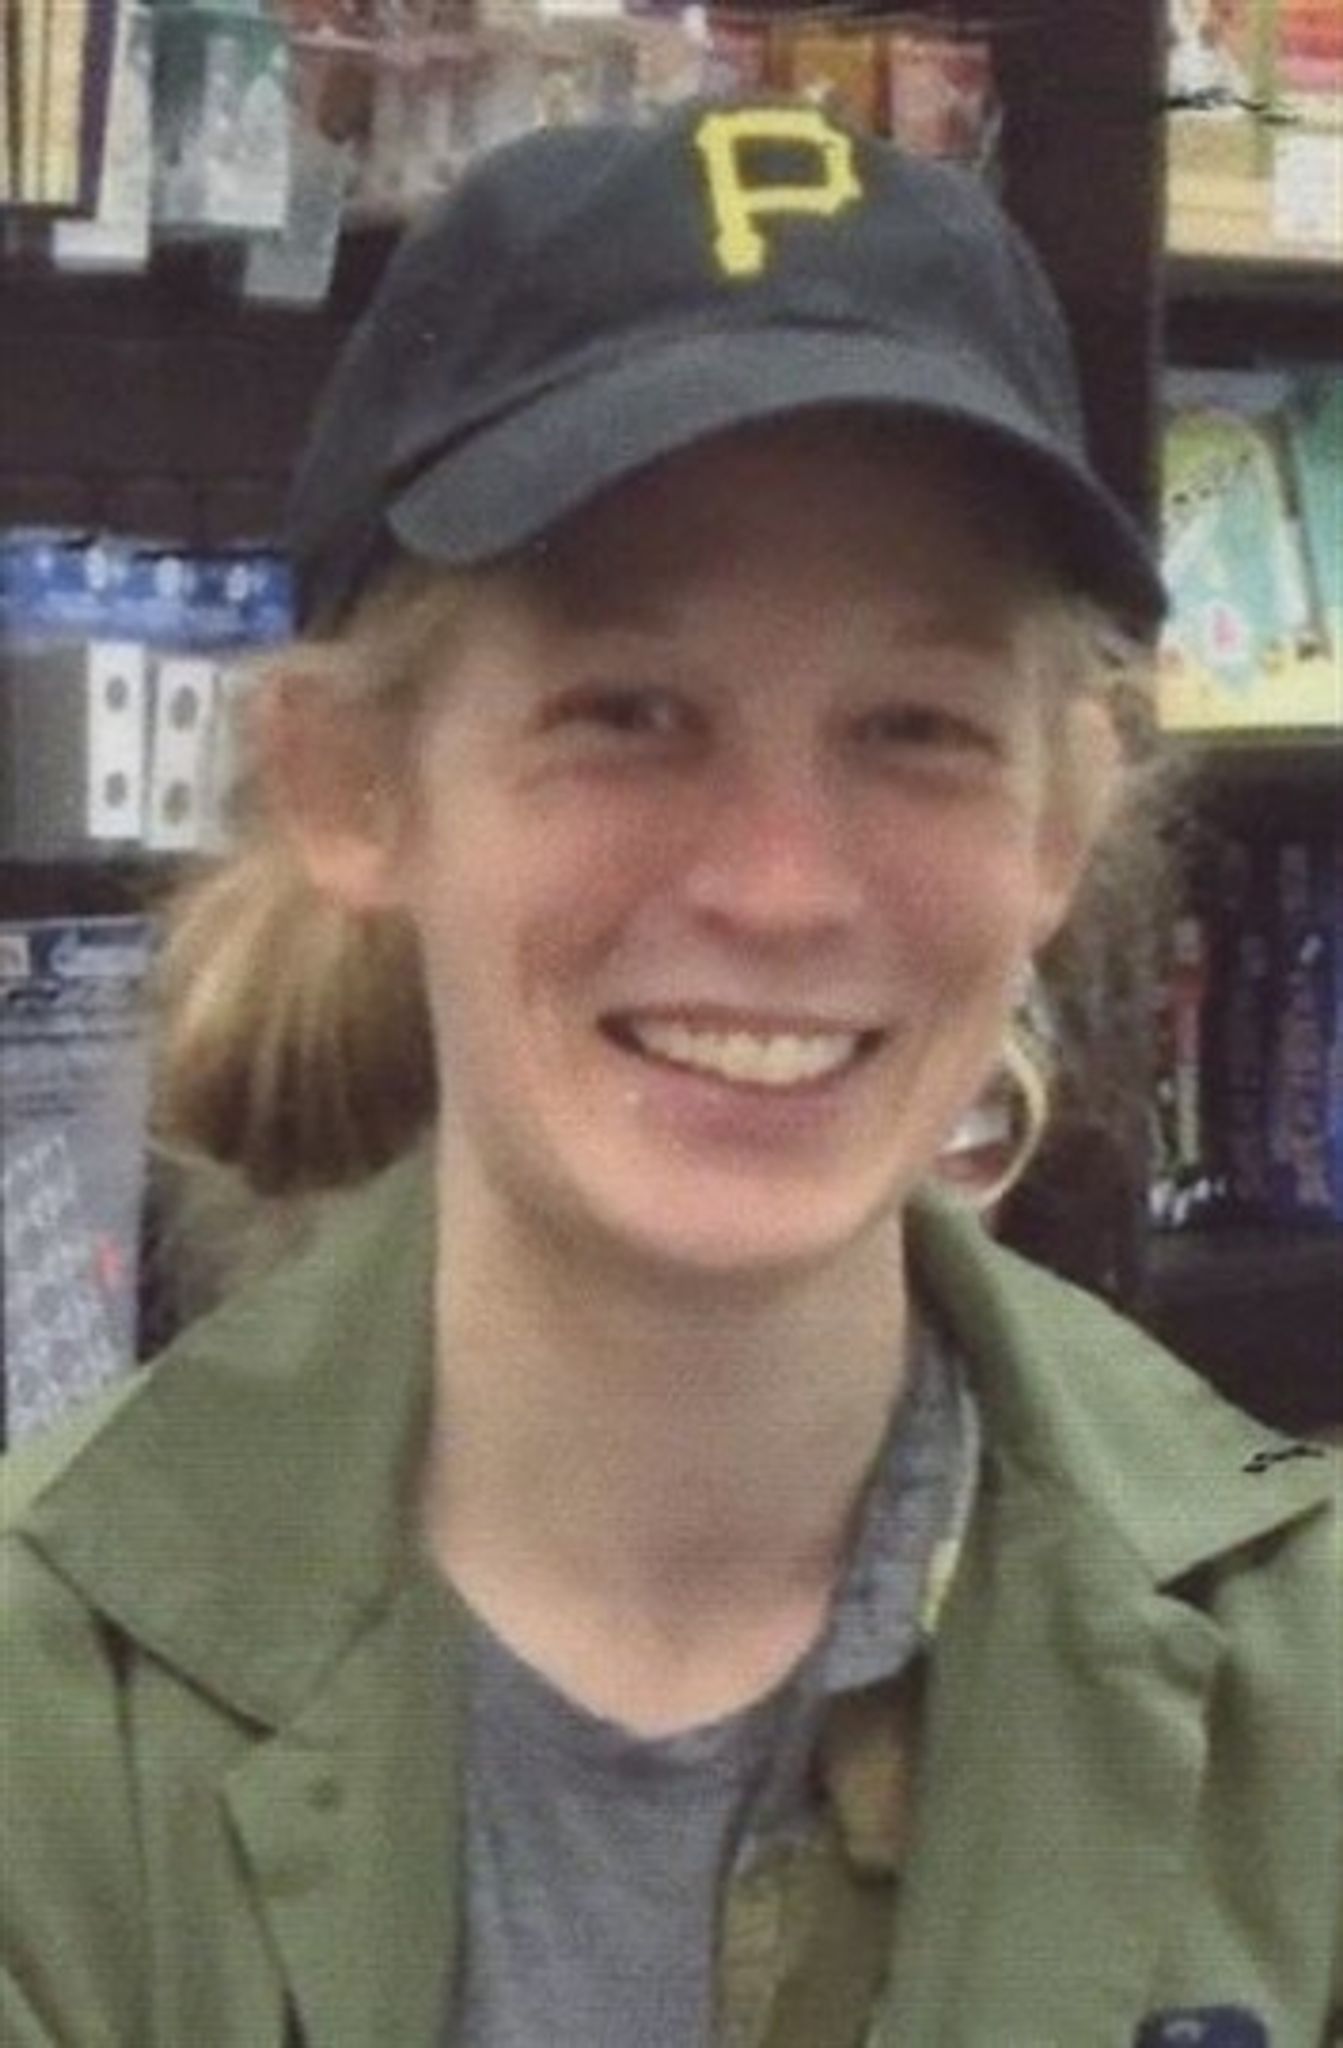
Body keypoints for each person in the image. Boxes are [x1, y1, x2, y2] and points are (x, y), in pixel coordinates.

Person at [2, 96, 1338, 2048]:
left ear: (1061, 820)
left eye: (915, 726)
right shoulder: (49, 1717)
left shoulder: (1299, 1691)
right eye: (626, 711)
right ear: (354, 787)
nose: (780, 887)